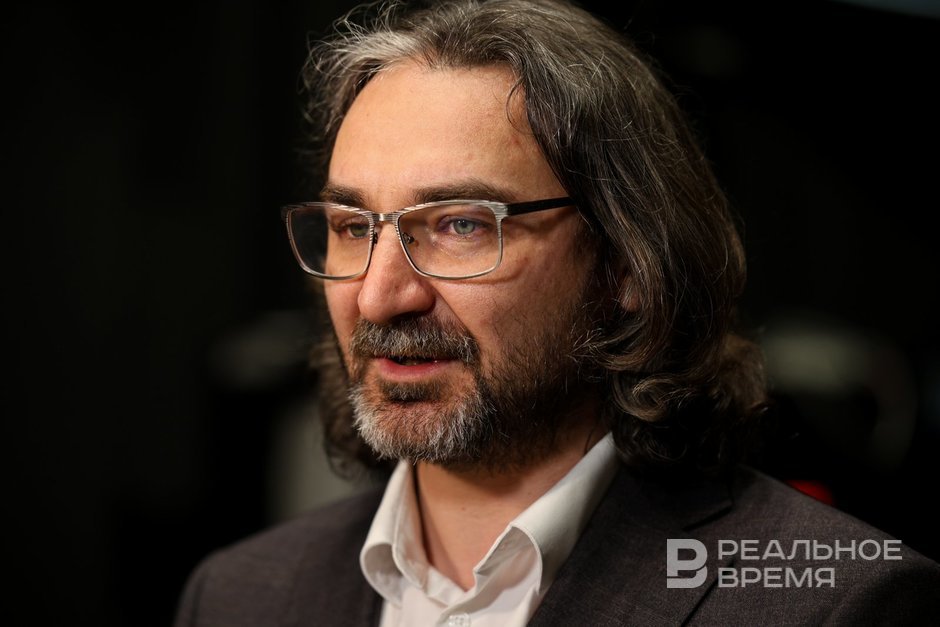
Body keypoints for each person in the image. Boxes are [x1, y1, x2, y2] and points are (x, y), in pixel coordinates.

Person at [174, 0, 940, 624]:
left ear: (626, 263)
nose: (379, 295)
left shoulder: (838, 605)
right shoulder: (238, 596)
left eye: (460, 224)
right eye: (352, 227)